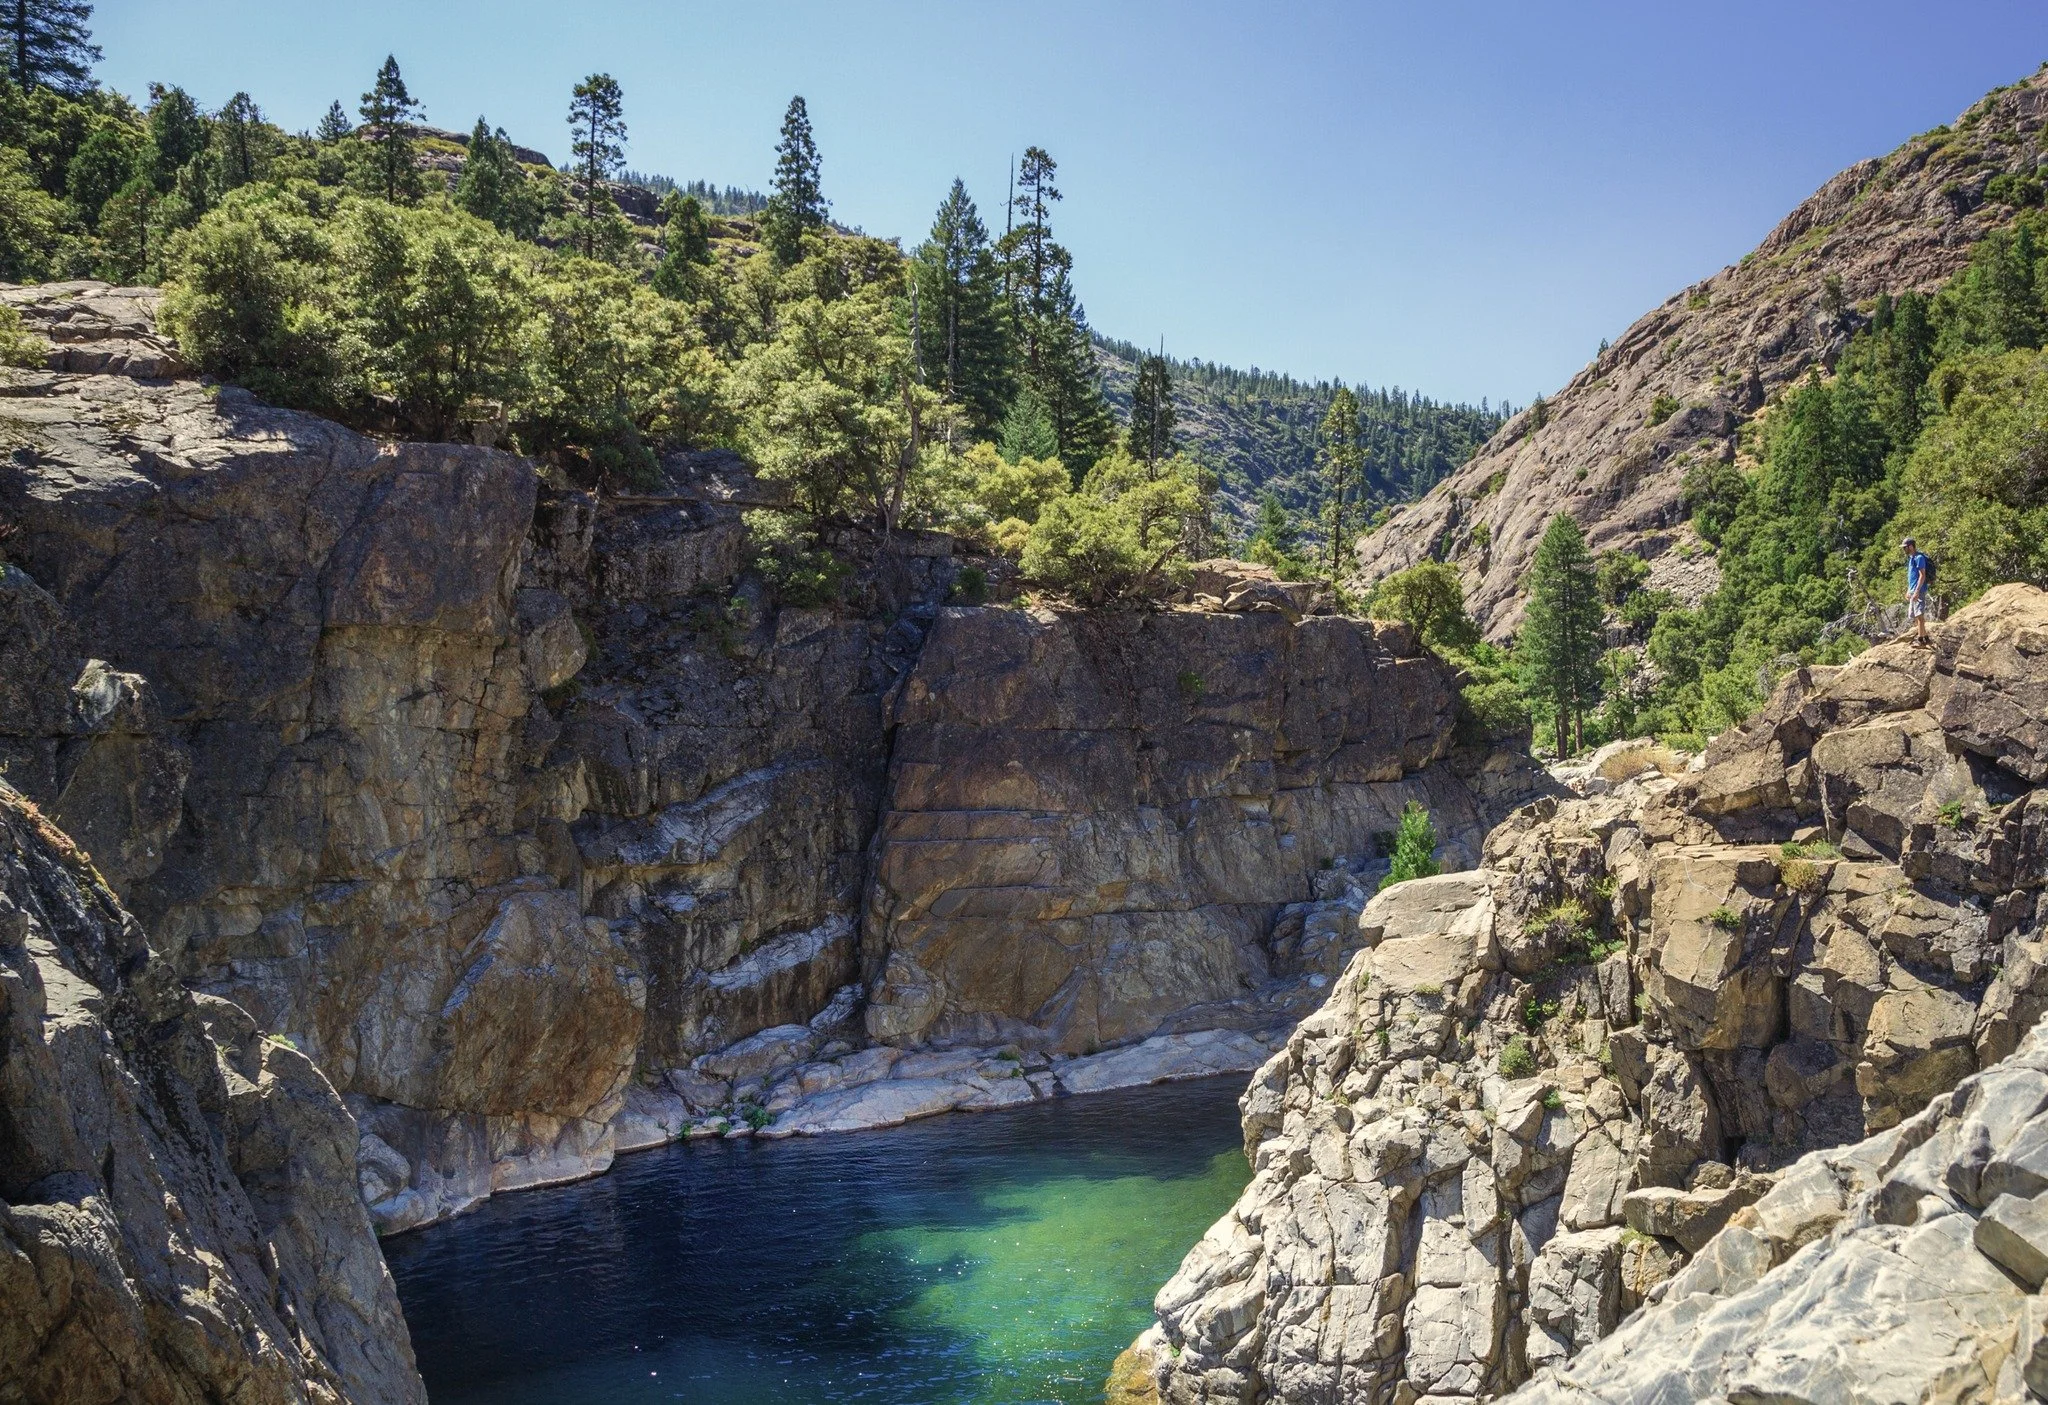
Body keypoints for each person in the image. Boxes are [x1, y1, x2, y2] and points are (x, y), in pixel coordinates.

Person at [1902, 537, 1933, 648]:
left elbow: (1922, 575)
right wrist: (1909, 590)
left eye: (1905, 547)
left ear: (1910, 546)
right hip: (1913, 591)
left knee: (1919, 615)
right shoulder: (1911, 558)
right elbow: (1912, 577)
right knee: (1915, 615)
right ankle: (1925, 637)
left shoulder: (1919, 558)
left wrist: (1916, 591)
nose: (1903, 550)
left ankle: (1920, 640)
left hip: (1918, 591)